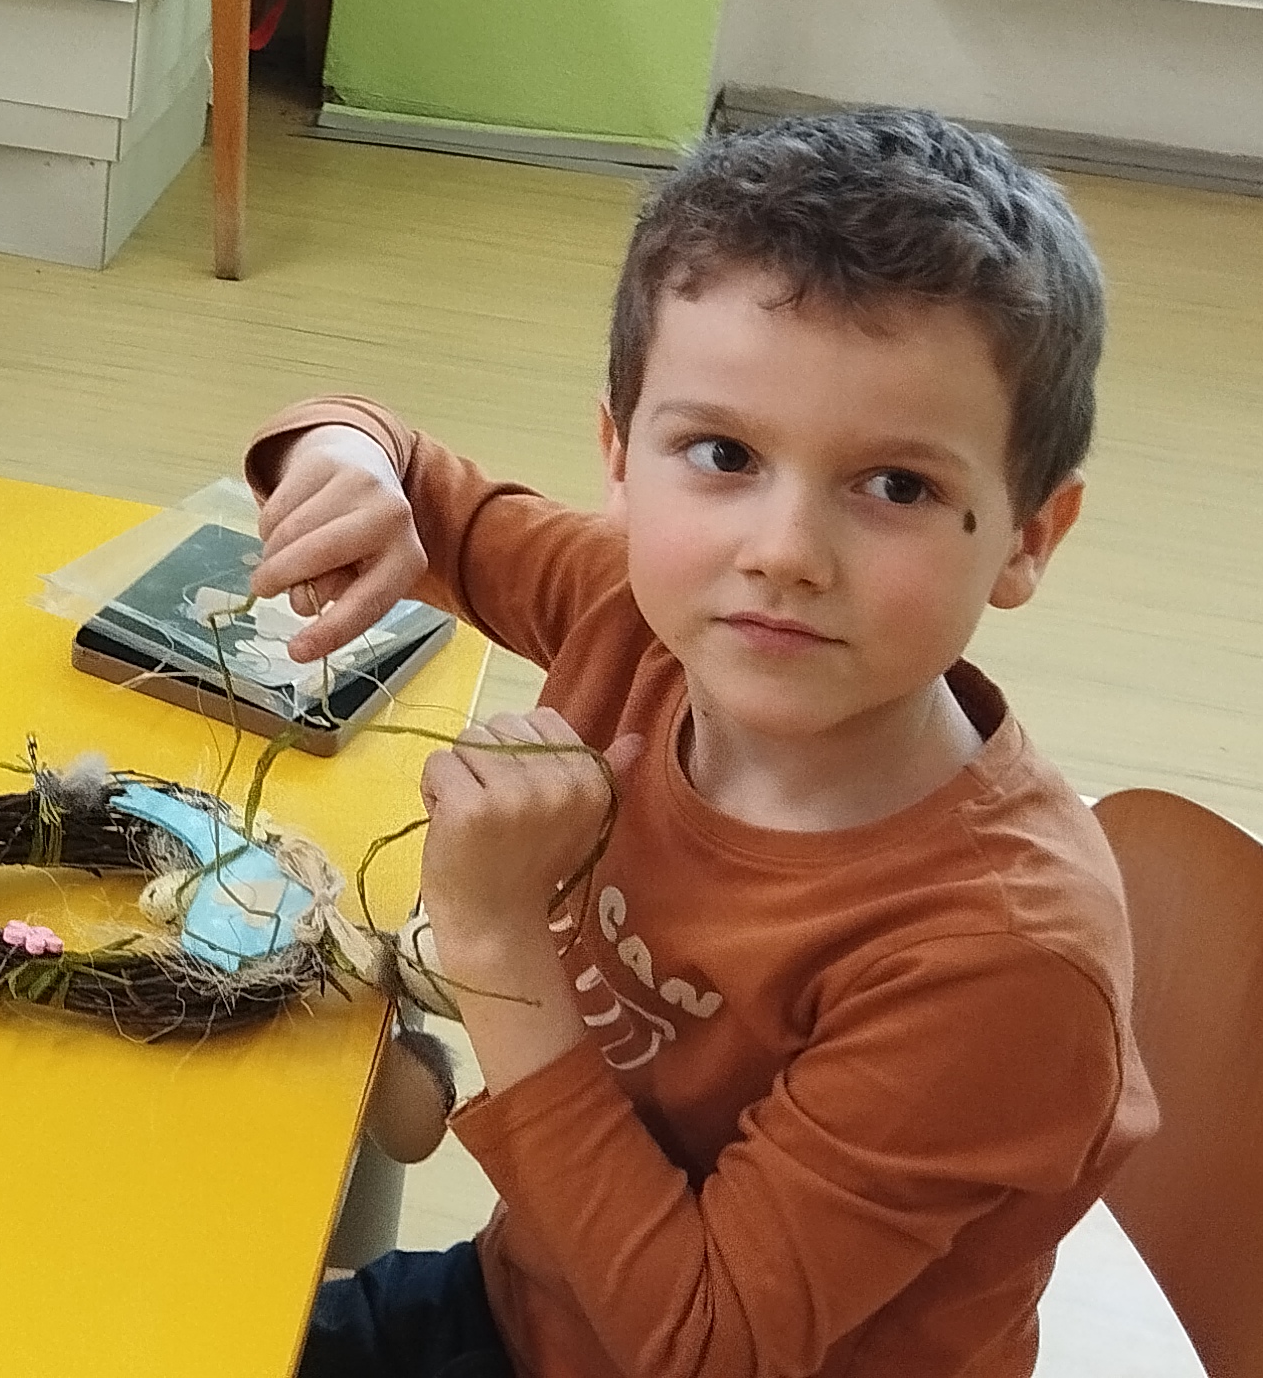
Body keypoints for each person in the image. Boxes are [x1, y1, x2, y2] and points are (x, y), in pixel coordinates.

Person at [253, 108, 1155, 1378]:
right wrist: (344, 456)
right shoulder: (645, 618)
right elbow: (406, 467)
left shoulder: (1002, 958)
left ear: (1028, 538)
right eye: (724, 453)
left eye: (896, 485)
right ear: (622, 459)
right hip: (534, 1308)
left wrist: (498, 939)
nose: (783, 552)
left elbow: (703, 1344)